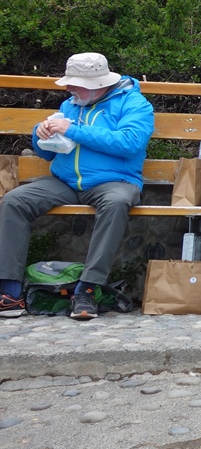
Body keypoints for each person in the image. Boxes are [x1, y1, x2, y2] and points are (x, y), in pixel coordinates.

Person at [0, 53, 154, 320]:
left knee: (116, 203)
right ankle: (9, 292)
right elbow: (48, 154)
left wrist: (72, 130)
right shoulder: (71, 104)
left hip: (114, 181)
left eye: (75, 83)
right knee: (14, 201)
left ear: (97, 84)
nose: (68, 88)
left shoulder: (135, 103)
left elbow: (130, 142)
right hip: (64, 181)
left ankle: (88, 289)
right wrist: (41, 134)